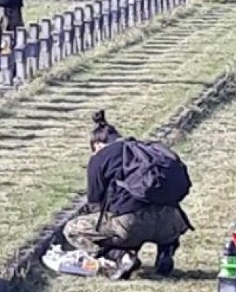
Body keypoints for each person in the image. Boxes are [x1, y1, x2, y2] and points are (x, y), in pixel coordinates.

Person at [62, 110, 192, 281]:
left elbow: (95, 203)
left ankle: (119, 257)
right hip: (172, 222)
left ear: (98, 145)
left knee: (72, 229)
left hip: (131, 225)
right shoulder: (148, 151)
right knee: (139, 221)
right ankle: (166, 252)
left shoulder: (100, 158)